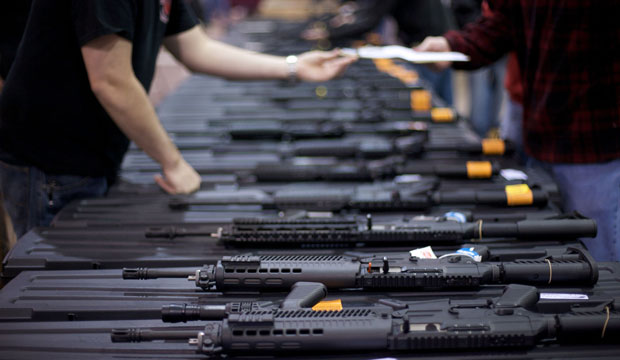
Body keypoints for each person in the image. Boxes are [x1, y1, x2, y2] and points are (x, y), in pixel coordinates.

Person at [0, 0, 356, 239]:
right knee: (54, 291)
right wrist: (172, 162)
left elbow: (195, 48)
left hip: (92, 148)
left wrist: (293, 67)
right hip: (49, 158)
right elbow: (111, 80)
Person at [416, 1, 620, 261]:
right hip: (535, 128)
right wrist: (451, 47)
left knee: (599, 263)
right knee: (547, 255)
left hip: (593, 142)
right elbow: (502, 23)